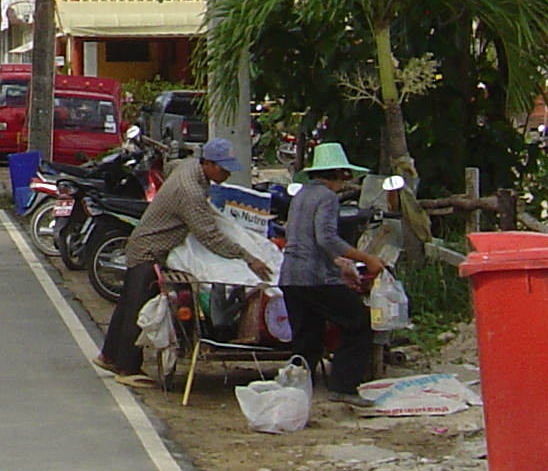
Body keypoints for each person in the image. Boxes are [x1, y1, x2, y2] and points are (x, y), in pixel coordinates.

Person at [95, 137, 280, 383]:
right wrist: (248, 258)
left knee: (128, 303)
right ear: (209, 163)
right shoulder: (190, 191)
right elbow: (209, 235)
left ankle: (109, 355)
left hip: (144, 243)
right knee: (137, 310)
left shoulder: (189, 168)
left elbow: (170, 166)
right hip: (150, 249)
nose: (226, 175)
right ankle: (128, 368)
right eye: (223, 170)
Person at [280, 142, 387, 407]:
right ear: (338, 174)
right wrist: (366, 259)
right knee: (357, 322)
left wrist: (342, 265)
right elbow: (326, 238)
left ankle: (296, 390)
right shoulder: (327, 198)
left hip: (291, 276)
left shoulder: (302, 195)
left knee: (306, 338)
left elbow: (304, 238)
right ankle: (344, 385)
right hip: (315, 277)